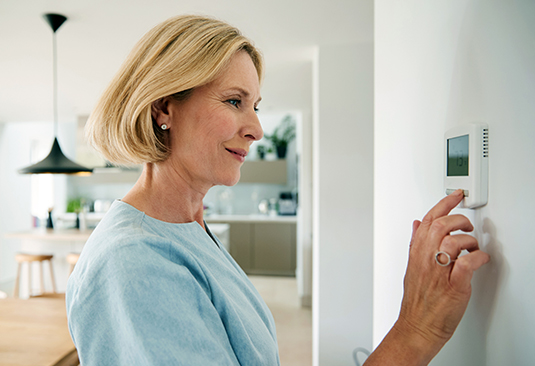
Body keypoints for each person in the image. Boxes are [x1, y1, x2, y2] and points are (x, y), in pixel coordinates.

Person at [66, 14, 490, 366]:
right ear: (163, 108)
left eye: (256, 105)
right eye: (234, 101)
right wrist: (416, 331)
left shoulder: (186, 228)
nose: (256, 129)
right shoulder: (136, 263)